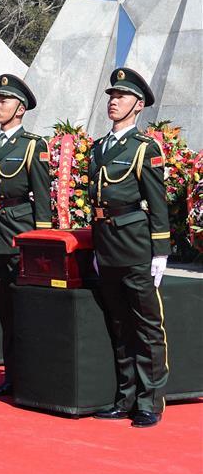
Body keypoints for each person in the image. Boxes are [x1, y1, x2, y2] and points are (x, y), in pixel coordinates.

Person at [89, 68, 170, 428]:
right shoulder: (99, 148)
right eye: (111, 96)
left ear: (138, 106)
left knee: (146, 326)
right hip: (107, 243)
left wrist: (161, 251)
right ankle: (125, 397)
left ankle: (150, 401)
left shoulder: (144, 148)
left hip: (135, 244)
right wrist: (95, 246)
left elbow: (157, 201)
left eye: (121, 97)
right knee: (119, 325)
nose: (113, 101)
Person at [0, 74, 52, 396]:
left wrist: (40, 241)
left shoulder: (33, 146)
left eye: (3, 101)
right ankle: (11, 373)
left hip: (21, 232)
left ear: (20, 109)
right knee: (4, 307)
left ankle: (32, 372)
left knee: (27, 308)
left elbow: (43, 198)